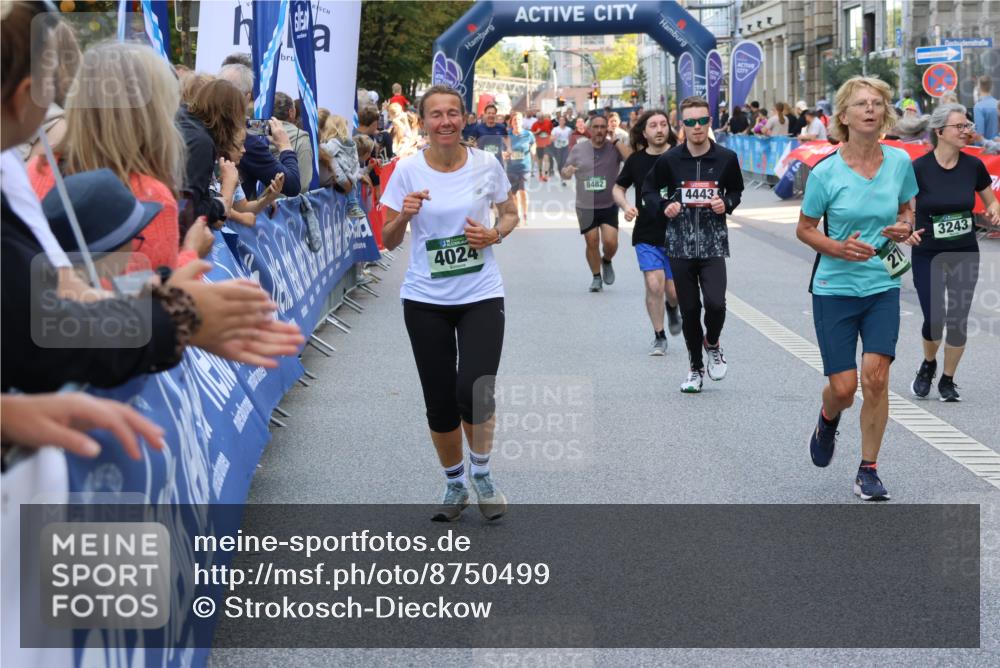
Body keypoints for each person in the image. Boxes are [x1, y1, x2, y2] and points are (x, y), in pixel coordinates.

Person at [381, 85, 519, 523]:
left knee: (473, 391)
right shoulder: (406, 170)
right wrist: (404, 214)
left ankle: (482, 473)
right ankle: (454, 482)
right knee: (439, 400)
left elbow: (510, 212)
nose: (445, 121)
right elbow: (386, 239)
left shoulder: (485, 164)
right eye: (436, 115)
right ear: (423, 122)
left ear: (463, 119)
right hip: (425, 299)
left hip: (480, 294)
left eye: (453, 113)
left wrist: (495, 234)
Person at [795, 76, 918, 501]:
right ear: (843, 117)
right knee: (845, 388)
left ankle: (868, 469)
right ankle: (828, 418)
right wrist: (837, 247)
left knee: (877, 377)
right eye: (861, 104)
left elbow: (906, 209)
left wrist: (904, 227)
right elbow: (805, 229)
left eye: (877, 103)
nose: (871, 109)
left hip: (882, 283)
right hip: (834, 287)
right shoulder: (825, 171)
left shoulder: (900, 162)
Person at [27, 41, 206, 271]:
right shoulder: (150, 197)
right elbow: (155, 299)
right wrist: (192, 253)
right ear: (153, 116)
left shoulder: (39, 169)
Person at [641, 96, 744, 392]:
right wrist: (663, 206)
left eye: (702, 121)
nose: (697, 127)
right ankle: (695, 369)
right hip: (680, 245)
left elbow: (736, 190)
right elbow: (649, 189)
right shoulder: (670, 160)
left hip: (712, 244)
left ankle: (712, 342)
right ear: (682, 125)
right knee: (689, 310)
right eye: (690, 122)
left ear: (709, 122)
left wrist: (726, 203)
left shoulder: (726, 158)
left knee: (715, 304)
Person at [908, 103, 1000, 401]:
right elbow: (905, 210)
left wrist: (995, 211)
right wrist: (906, 227)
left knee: (958, 319)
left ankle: (948, 380)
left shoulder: (973, 166)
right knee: (934, 318)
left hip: (964, 252)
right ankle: (928, 364)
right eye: (959, 127)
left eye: (967, 126)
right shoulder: (919, 168)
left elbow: (991, 202)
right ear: (940, 132)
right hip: (928, 254)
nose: (966, 131)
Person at [612, 109, 682, 355]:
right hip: (647, 232)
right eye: (653, 125)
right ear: (644, 132)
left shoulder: (680, 156)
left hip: (678, 233)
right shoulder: (636, 161)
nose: (660, 129)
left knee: (673, 291)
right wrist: (626, 206)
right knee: (654, 284)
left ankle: (673, 308)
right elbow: (618, 188)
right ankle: (659, 336)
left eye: (664, 124)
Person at [561, 114, 632, 292]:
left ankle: (607, 260)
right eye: (596, 127)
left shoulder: (614, 148)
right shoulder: (579, 149)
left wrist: (616, 142)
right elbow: (565, 172)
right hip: (585, 205)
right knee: (591, 241)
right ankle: (596, 277)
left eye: (602, 127)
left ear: (607, 129)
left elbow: (631, 160)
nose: (599, 130)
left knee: (611, 243)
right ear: (590, 129)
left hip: (608, 204)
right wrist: (567, 172)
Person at [217, 62, 301, 197]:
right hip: (229, 213)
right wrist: (285, 147)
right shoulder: (247, 140)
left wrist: (262, 203)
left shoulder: (203, 121)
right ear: (247, 97)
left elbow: (249, 125)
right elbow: (292, 185)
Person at [176, 79, 243, 224]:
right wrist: (222, 200)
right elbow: (187, 208)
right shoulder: (201, 142)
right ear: (230, 117)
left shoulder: (182, 117)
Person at [272, 92, 314, 192]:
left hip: (253, 203)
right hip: (287, 205)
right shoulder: (301, 138)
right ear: (291, 112)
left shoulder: (253, 133)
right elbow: (303, 184)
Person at [504, 111, 535, 226]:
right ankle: (518, 214)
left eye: (519, 119)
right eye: (514, 120)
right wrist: (505, 153)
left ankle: (525, 214)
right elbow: (504, 149)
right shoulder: (507, 135)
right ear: (511, 122)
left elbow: (533, 144)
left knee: (523, 191)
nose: (517, 122)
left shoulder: (528, 134)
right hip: (512, 168)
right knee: (513, 194)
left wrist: (533, 150)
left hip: (525, 167)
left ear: (522, 121)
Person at [973, 76, 998, 142]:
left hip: (984, 149)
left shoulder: (979, 106)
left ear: (978, 87)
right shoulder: (998, 104)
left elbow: (979, 134)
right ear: (992, 87)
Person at [550, 115, 573, 185]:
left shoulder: (568, 129)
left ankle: (563, 179)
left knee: (564, 162)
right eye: (560, 120)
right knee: (559, 163)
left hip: (566, 147)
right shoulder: (555, 129)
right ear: (559, 121)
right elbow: (551, 139)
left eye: (563, 120)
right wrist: (555, 137)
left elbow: (571, 138)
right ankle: (561, 176)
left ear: (565, 121)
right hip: (557, 147)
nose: (561, 121)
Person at [531, 111, 554, 180]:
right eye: (539, 118)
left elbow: (552, 130)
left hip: (547, 143)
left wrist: (551, 136)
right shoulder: (535, 124)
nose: (540, 120)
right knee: (540, 160)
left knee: (546, 158)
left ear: (543, 117)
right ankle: (540, 173)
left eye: (541, 118)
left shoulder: (548, 122)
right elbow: (532, 133)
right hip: (539, 144)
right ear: (537, 118)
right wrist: (536, 132)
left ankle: (546, 174)